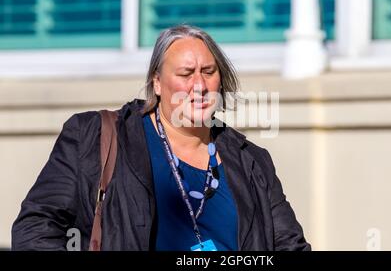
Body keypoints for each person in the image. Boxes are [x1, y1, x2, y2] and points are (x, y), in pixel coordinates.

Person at [12, 25, 311, 251]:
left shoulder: (251, 160)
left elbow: (289, 245)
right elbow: (35, 229)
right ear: (157, 82)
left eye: (208, 71)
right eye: (185, 73)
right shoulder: (96, 135)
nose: (199, 85)